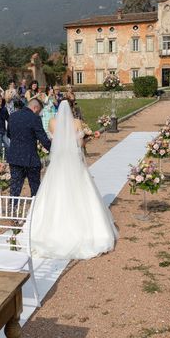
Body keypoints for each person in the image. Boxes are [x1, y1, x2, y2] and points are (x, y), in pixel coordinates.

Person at [30, 100, 117, 259]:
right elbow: (80, 142)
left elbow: (52, 142)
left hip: (58, 162)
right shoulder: (77, 122)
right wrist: (90, 137)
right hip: (74, 161)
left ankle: (48, 232)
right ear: (71, 109)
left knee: (54, 192)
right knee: (81, 191)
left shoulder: (51, 122)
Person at [7, 98, 52, 197]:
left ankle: (12, 207)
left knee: (15, 186)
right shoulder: (34, 118)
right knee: (35, 187)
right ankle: (35, 208)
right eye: (39, 111)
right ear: (35, 108)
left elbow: (9, 134)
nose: (38, 114)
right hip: (30, 158)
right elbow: (43, 139)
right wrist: (53, 149)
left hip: (14, 156)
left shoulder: (12, 116)